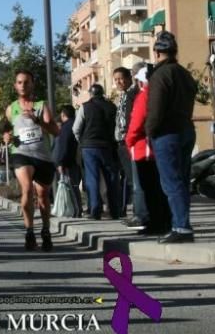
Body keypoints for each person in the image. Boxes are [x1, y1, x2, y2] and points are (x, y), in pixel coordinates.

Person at [146, 31, 197, 244]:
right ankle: (183, 223)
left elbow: (156, 110)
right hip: (186, 128)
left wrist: (150, 131)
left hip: (167, 133)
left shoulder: (160, 75)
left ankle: (181, 227)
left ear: (157, 52)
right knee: (182, 181)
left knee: (171, 182)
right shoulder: (185, 74)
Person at [5, 70, 59, 251]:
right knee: (27, 188)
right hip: (21, 154)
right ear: (15, 86)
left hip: (42, 156)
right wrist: (6, 137)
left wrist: (38, 121)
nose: (23, 86)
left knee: (43, 196)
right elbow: (7, 130)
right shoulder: (11, 108)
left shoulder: (41, 105)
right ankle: (29, 231)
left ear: (32, 84)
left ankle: (45, 230)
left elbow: (55, 131)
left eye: (26, 82)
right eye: (19, 82)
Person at [125, 64, 171, 235]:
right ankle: (164, 221)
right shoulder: (162, 95)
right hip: (157, 147)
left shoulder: (144, 96)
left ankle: (155, 222)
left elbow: (136, 122)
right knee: (159, 188)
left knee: (148, 188)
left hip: (143, 148)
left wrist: (128, 141)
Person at [73, 83, 121, 220]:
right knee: (111, 177)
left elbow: (76, 129)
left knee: (92, 178)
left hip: (89, 147)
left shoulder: (85, 107)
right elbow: (117, 126)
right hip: (108, 146)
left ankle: (95, 210)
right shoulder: (112, 107)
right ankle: (115, 210)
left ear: (90, 94)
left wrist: (81, 141)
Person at [114, 65, 149, 229]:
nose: (119, 82)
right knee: (130, 179)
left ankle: (140, 214)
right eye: (116, 80)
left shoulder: (134, 94)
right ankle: (137, 212)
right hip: (122, 142)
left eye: (121, 78)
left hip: (131, 141)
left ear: (129, 78)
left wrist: (129, 139)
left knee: (137, 181)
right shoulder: (122, 96)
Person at [52, 104, 83, 215]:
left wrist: (61, 162)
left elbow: (64, 146)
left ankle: (76, 210)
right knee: (75, 185)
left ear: (63, 114)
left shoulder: (66, 127)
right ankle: (77, 209)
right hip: (78, 160)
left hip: (69, 162)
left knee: (71, 187)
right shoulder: (77, 124)